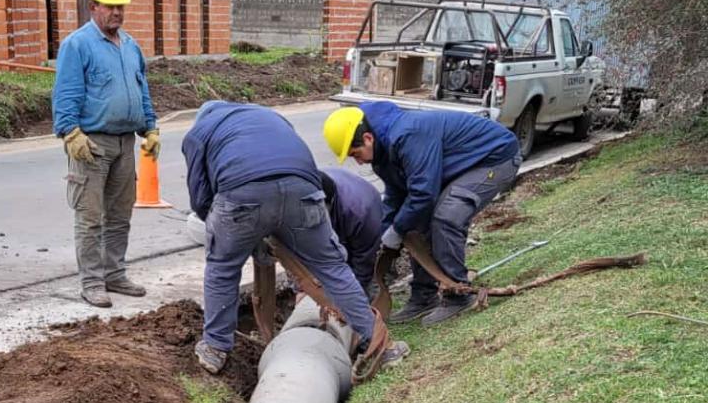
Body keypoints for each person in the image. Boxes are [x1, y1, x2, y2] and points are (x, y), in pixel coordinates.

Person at [182, 101, 409, 374]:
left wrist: (234, 232)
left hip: (242, 193)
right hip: (304, 191)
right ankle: (382, 348)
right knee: (333, 268)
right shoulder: (271, 116)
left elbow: (201, 198)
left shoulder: (199, 132)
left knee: (222, 268)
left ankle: (216, 348)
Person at [323, 101, 521, 326]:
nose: (358, 162)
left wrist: (397, 229)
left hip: (495, 158)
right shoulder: (381, 154)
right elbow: (397, 195)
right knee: (414, 222)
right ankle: (423, 296)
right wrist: (384, 232)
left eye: (356, 154)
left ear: (368, 138)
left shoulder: (408, 135)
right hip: (461, 166)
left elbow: (424, 193)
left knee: (447, 216)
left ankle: (457, 296)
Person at [52, 0, 160, 308]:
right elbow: (66, 93)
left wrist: (151, 127)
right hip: (91, 144)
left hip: (125, 142)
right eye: (109, 6)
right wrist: (70, 132)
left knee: (119, 215)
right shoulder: (78, 45)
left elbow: (142, 91)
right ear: (92, 6)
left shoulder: (131, 47)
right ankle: (92, 282)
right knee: (90, 217)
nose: (116, 12)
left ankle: (115, 274)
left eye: (121, 6)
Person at [318, 167, 382, 296]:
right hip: (341, 212)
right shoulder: (307, 194)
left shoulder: (360, 213)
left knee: (366, 283)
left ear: (329, 203)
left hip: (365, 227)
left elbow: (365, 258)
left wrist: (351, 296)